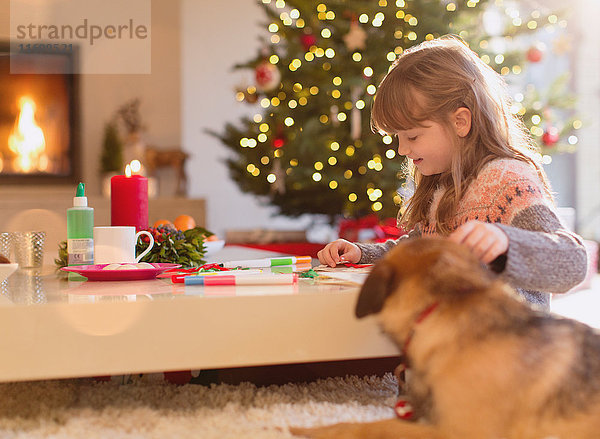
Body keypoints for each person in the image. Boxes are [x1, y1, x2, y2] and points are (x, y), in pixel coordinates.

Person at [318, 36, 587, 310]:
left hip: (509, 345)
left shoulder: (506, 179)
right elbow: (420, 249)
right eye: (398, 137)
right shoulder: (445, 183)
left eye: (412, 136)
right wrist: (363, 253)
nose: (401, 150)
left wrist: (506, 244)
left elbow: (573, 262)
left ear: (460, 121)